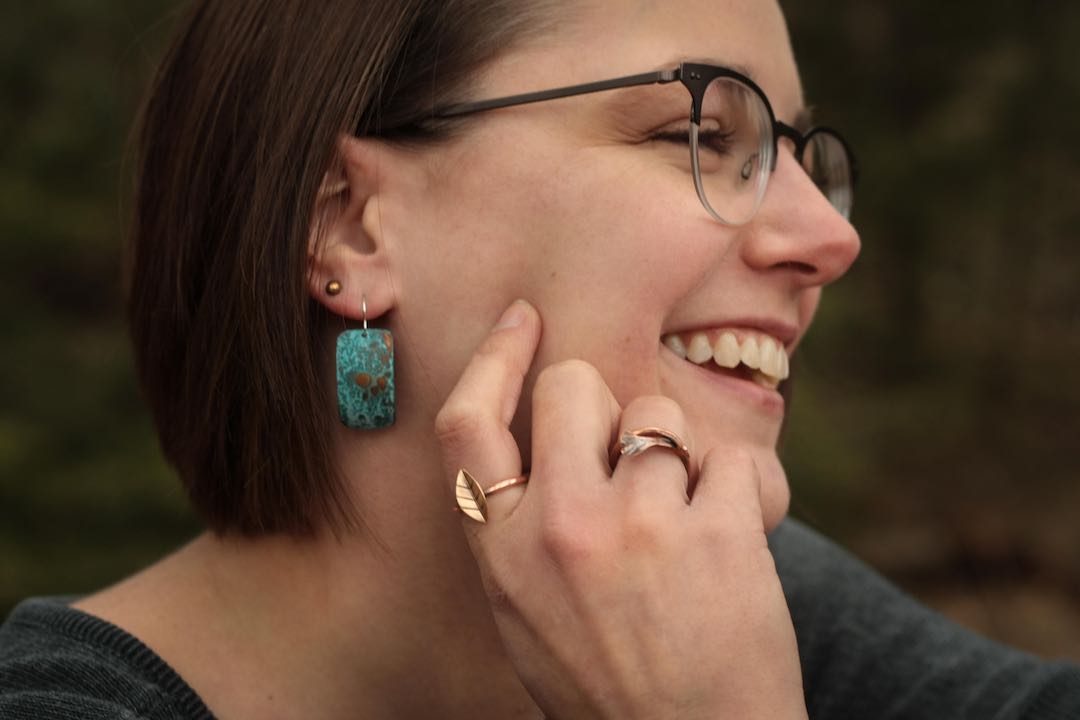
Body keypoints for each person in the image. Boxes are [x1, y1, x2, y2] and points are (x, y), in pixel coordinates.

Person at [1, 0, 1078, 718]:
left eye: (801, 156)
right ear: (351, 226)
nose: (830, 239)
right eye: (702, 138)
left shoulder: (725, 604)